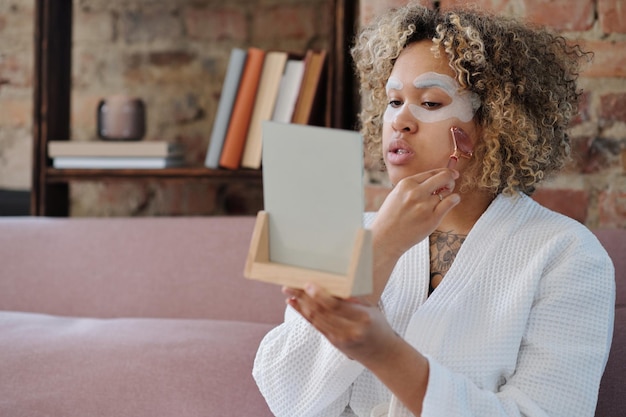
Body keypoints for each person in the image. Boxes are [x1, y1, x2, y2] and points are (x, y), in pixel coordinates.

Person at [252, 3, 615, 417]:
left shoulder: (566, 255)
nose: (400, 121)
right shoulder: (350, 231)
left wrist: (385, 354)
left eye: (429, 102)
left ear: (495, 123)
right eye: (393, 101)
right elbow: (287, 397)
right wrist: (381, 248)